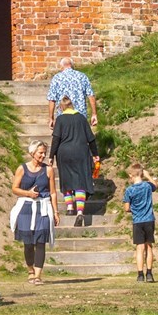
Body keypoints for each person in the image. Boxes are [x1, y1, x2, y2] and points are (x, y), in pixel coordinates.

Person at [10, 142, 56, 284]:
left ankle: (38, 275)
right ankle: (30, 270)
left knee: (41, 241)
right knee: (28, 242)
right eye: (40, 152)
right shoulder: (22, 169)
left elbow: (53, 192)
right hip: (26, 208)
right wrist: (28, 193)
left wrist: (56, 212)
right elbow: (15, 188)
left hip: (43, 207)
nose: (43, 155)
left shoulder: (48, 170)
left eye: (44, 152)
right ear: (32, 153)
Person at [49, 95, 98, 227]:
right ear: (72, 105)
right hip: (81, 152)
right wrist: (95, 154)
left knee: (66, 179)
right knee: (80, 182)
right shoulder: (81, 118)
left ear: (61, 107)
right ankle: (80, 211)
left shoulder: (60, 119)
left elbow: (56, 139)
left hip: (64, 153)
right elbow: (91, 138)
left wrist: (51, 156)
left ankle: (70, 208)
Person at [119, 164, 158, 283]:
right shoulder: (147, 186)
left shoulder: (129, 190)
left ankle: (140, 275)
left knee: (139, 248)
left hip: (137, 221)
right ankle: (150, 274)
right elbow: (155, 186)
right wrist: (149, 176)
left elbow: (126, 208)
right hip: (149, 219)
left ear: (131, 175)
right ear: (142, 174)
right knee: (149, 246)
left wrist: (135, 209)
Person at [46, 57, 97, 132]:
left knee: (64, 140)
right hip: (80, 116)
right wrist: (94, 114)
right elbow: (91, 96)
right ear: (72, 66)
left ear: (62, 66)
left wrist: (51, 118)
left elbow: (52, 99)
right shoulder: (82, 76)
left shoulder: (57, 78)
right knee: (81, 139)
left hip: (63, 118)